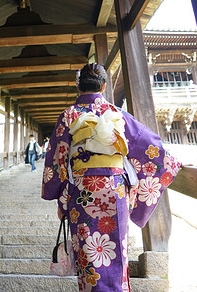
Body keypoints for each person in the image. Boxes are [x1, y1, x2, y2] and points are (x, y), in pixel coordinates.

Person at [41, 63, 181, 291]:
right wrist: (173, 163)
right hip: (115, 191)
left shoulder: (68, 115)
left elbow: (58, 160)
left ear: (79, 87)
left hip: (82, 191)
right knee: (116, 250)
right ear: (104, 86)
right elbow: (148, 145)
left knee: (89, 253)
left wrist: (60, 197)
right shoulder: (117, 113)